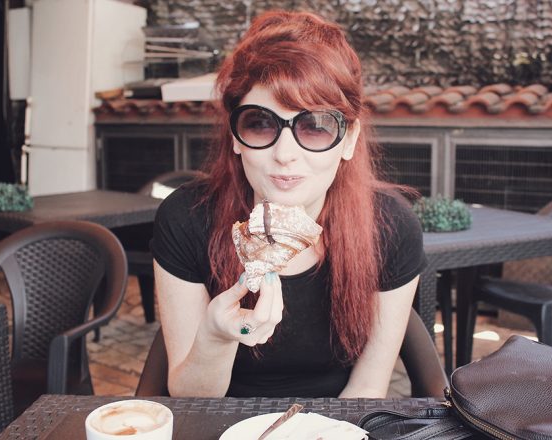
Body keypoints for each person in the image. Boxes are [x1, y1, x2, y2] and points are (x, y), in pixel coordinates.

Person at [151, 10, 427, 398]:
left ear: (348, 140)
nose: (284, 154)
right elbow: (189, 399)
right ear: (235, 136)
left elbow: (368, 386)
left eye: (314, 126)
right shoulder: (187, 219)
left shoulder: (390, 226)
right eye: (260, 123)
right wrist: (215, 338)